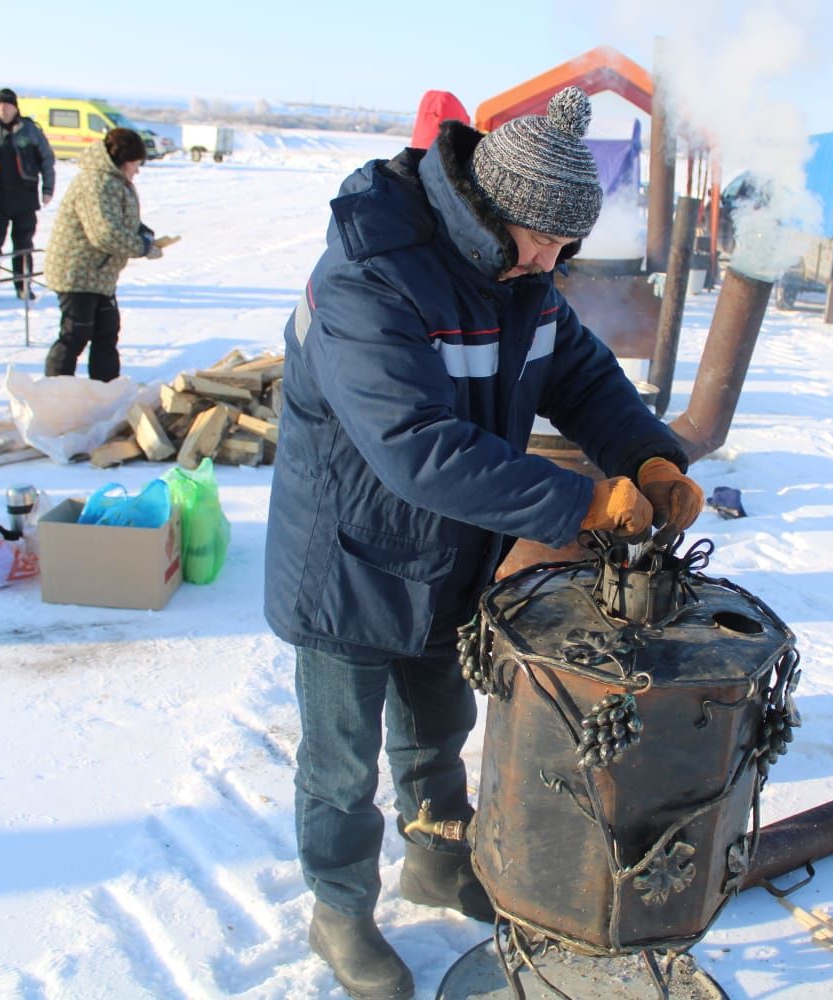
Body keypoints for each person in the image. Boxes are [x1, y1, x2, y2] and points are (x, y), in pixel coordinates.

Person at [264, 87, 705, 1000]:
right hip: (347, 558)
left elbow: (579, 375)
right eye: (541, 242)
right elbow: (416, 448)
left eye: (563, 248)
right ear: (488, 209)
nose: (552, 262)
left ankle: (433, 862)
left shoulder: (521, 277)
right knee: (341, 764)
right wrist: (584, 504)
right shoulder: (369, 273)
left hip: (449, 553)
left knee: (439, 730)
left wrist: (650, 458)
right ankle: (339, 910)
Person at [41, 128, 162, 381]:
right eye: (135, 164)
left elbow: (123, 222)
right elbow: (104, 233)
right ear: (122, 160)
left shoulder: (114, 181)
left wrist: (144, 234)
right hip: (77, 271)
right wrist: (141, 246)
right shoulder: (97, 183)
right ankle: (54, 393)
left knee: (107, 332)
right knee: (76, 334)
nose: (137, 170)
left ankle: (107, 391)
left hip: (99, 274)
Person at [0, 88, 56, 307]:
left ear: (15, 107)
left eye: (7, 105)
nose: (2, 109)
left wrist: (48, 189)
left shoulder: (30, 130)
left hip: (25, 196)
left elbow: (46, 160)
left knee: (23, 243)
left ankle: (23, 285)